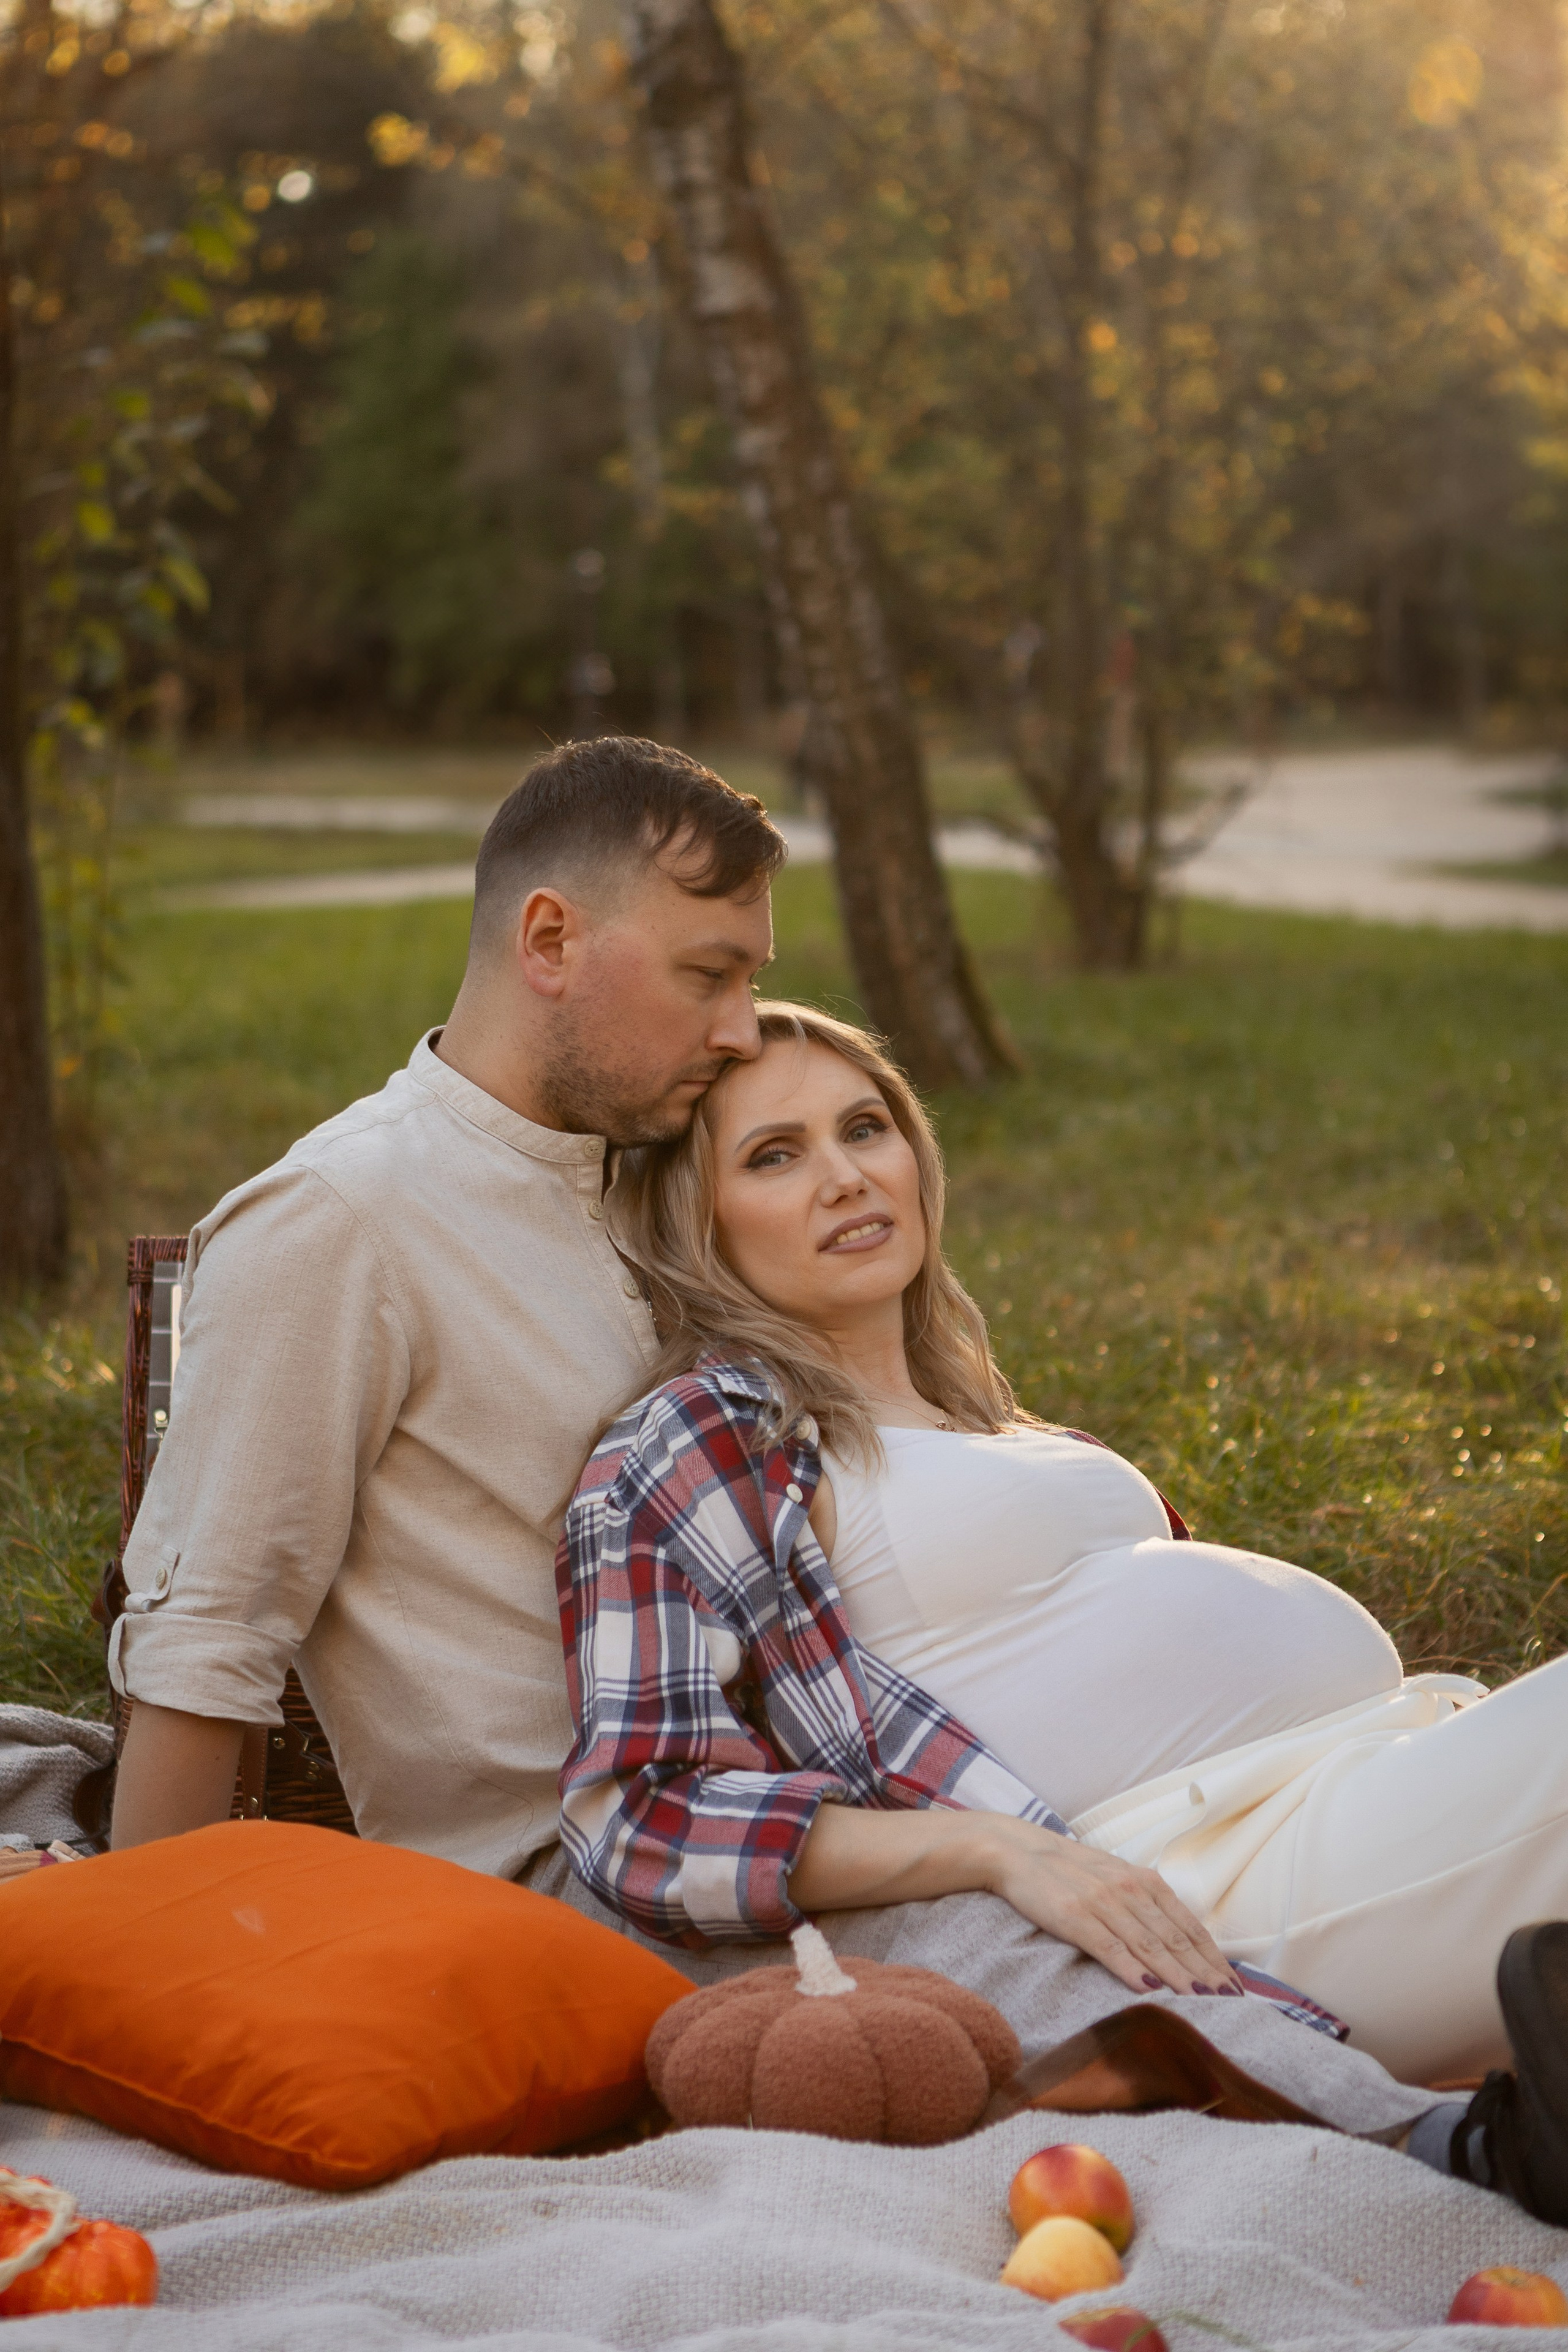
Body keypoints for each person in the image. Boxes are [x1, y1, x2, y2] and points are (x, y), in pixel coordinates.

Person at [556, 998, 1568, 2222]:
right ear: (693, 1224)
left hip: (1367, 1784)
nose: (843, 1177)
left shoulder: (980, 1415)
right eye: (775, 1155)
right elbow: (642, 1821)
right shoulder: (711, 1431)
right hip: (1198, 1886)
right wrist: (996, 1850)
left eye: (864, 1128)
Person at [108, 737, 782, 1868]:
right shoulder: (341, 1222)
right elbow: (207, 1648)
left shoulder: (672, 1172)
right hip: (580, 1879)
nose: (745, 1029)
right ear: (551, 941)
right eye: (709, 976)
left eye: (751, 981)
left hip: (811, 1801)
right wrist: (130, 1986)